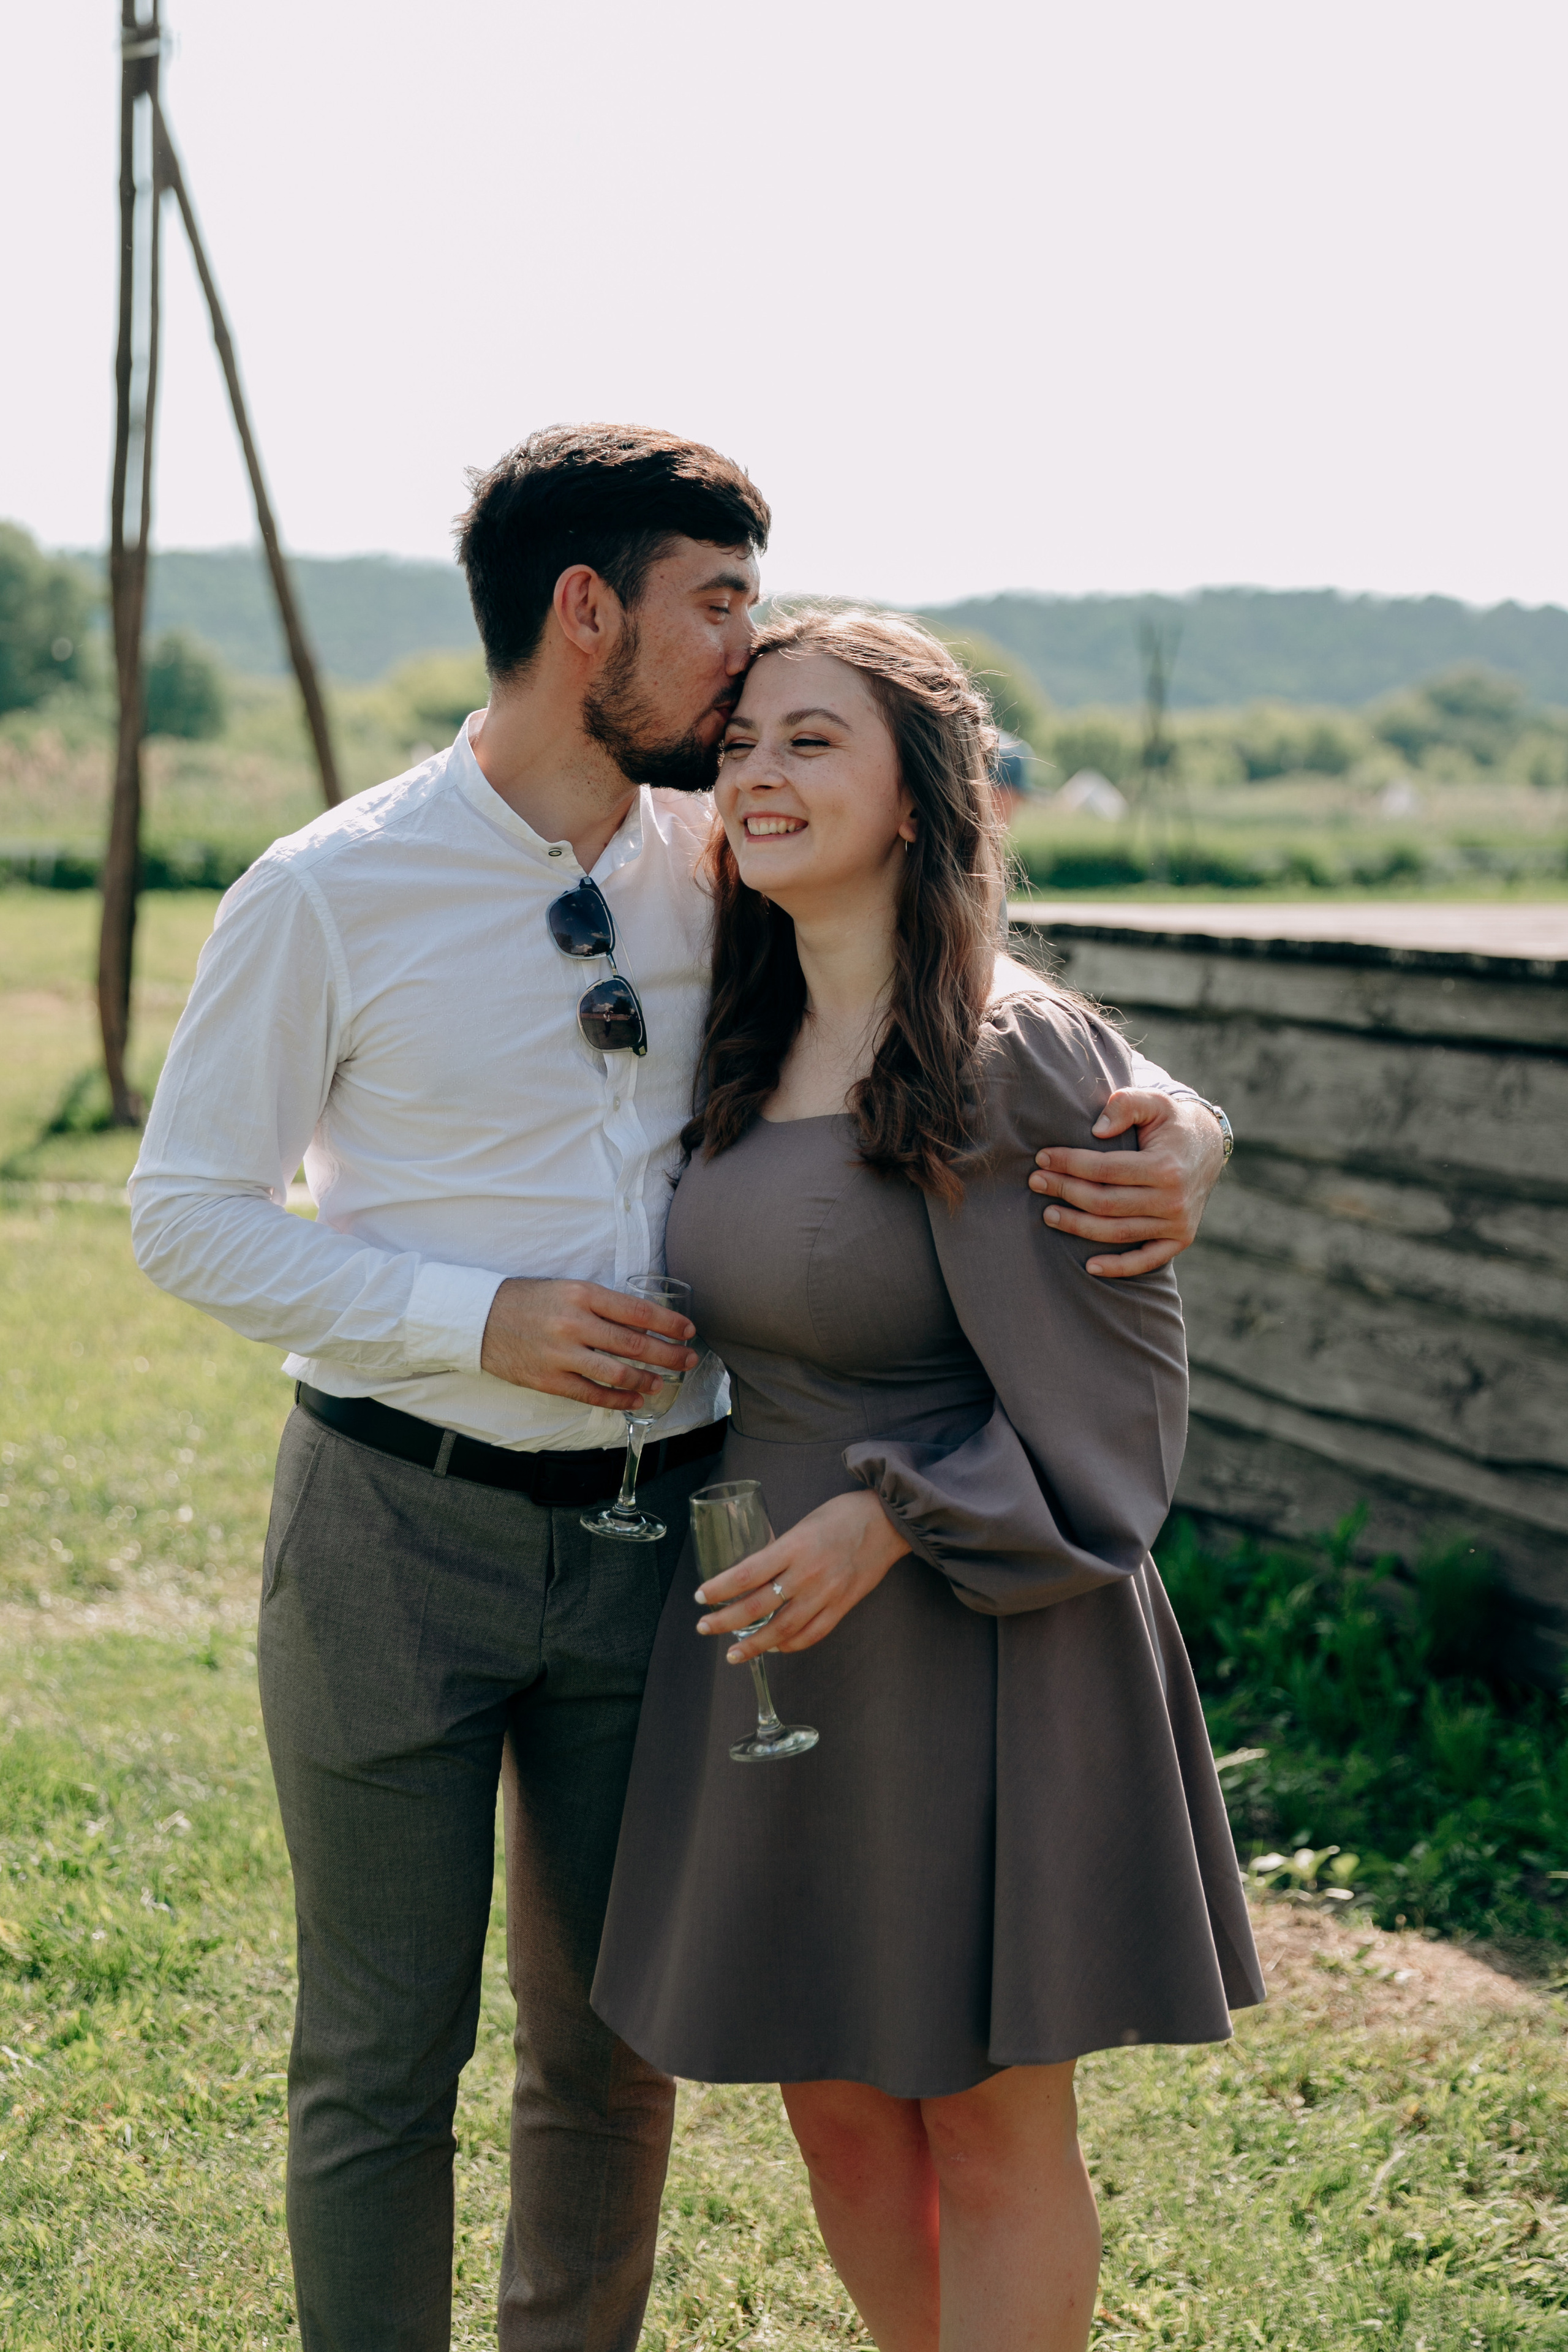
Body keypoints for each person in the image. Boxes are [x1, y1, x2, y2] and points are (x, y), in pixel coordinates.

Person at [129, 426, 1229, 2352]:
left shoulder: (713, 864)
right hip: (396, 1526)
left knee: (611, 2055)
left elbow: (978, 997)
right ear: (587, 614)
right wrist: (476, 1320)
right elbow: (189, 1219)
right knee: (381, 2055)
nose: (747, 671)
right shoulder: (328, 892)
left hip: (673, 1552)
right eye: (719, 610)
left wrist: (1190, 1129)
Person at [592, 605, 1264, 2352]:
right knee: (832, 2104)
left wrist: (888, 1516)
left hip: (980, 1627)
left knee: (983, 2112)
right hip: (780, 1636)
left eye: (813, 740)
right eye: (741, 744)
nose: (757, 773)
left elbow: (1120, 1408)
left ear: (918, 799)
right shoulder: (741, 1043)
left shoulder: (1003, 1049)